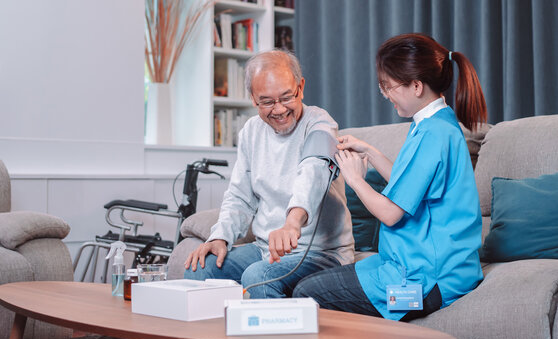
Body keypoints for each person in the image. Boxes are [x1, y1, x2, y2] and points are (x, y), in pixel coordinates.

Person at [293, 33, 487, 322]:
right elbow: (411, 185)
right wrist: (370, 151)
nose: (384, 93)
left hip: (426, 281)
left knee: (307, 294)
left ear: (417, 86)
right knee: (313, 284)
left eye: (388, 85)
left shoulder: (432, 135)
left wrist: (355, 178)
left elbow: (391, 213)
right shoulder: (437, 123)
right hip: (418, 265)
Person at [183, 49, 354, 298]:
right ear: (253, 98)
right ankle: (217, 338)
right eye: (267, 101)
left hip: (320, 253)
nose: (279, 110)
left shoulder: (321, 125)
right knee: (200, 268)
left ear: (301, 87)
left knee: (258, 276)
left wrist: (292, 224)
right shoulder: (250, 131)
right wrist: (220, 237)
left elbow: (313, 175)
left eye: (287, 97)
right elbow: (240, 196)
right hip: (265, 249)